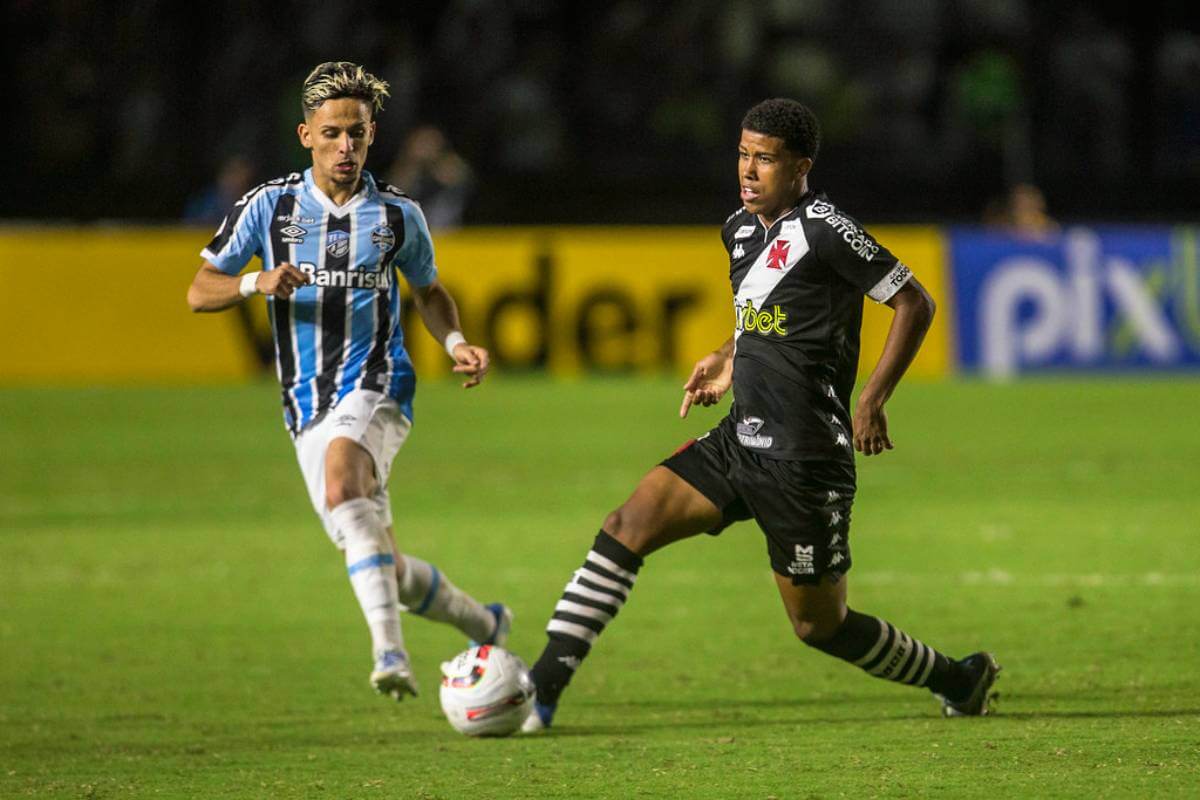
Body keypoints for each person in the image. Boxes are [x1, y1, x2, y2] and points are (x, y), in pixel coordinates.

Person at [522, 98, 999, 732]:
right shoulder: (740, 230)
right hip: (739, 441)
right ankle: (540, 690)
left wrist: (873, 397)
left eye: (765, 160)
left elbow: (916, 303)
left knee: (818, 626)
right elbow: (762, 317)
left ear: (800, 167)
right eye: (743, 155)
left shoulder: (828, 227)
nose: (748, 170)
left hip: (804, 460)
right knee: (627, 524)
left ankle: (958, 679)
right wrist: (725, 356)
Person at [186, 62, 509, 701]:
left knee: (342, 481)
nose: (345, 147)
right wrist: (257, 281)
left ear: (372, 134)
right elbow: (199, 291)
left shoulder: (397, 215)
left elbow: (430, 291)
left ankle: (389, 653)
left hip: (379, 381)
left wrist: (455, 341)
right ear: (306, 134)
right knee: (377, 556)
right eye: (332, 133)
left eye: (356, 134)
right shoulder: (268, 207)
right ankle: (484, 623)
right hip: (304, 402)